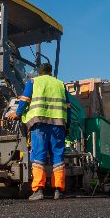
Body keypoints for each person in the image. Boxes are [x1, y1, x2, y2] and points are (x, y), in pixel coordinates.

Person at [7, 63, 71, 201]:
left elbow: (24, 101)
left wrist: (17, 113)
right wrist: (68, 126)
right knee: (58, 157)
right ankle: (58, 190)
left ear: (40, 73)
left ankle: (38, 190)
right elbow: (68, 108)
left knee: (38, 156)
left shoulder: (34, 81)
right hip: (59, 124)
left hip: (39, 124)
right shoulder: (60, 84)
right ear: (50, 72)